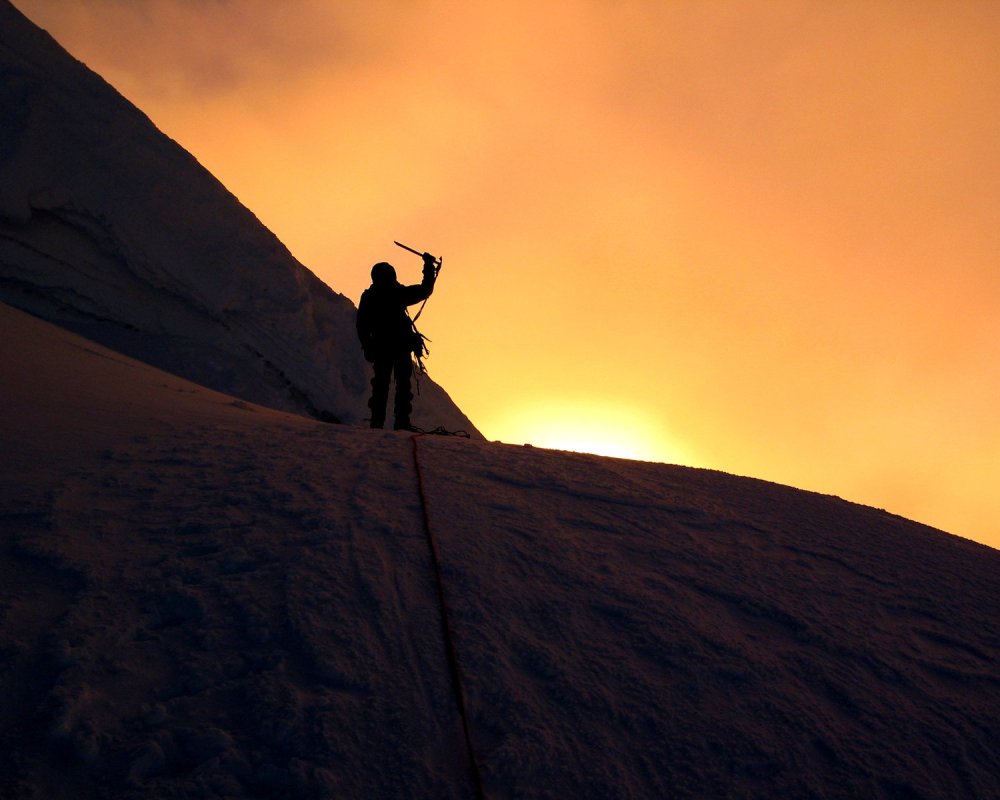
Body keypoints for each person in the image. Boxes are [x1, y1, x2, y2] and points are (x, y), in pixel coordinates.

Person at [356, 252, 438, 430]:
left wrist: (367, 346)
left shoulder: (370, 297)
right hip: (400, 346)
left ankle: (378, 421)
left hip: (381, 348)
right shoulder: (397, 293)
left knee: (381, 384)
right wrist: (428, 266)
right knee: (401, 386)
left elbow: (362, 325)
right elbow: (425, 290)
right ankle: (401, 422)